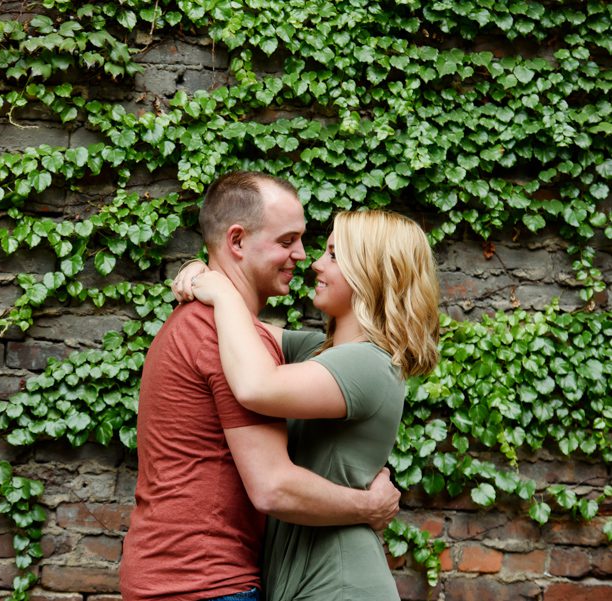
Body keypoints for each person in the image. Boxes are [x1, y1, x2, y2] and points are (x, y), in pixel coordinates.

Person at [119, 172, 403, 601]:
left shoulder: (237, 337)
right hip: (203, 584)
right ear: (236, 242)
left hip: (190, 578)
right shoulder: (220, 338)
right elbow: (273, 485)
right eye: (287, 240)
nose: (304, 257)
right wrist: (369, 506)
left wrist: (207, 277)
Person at [179, 209, 441, 600]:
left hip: (340, 584)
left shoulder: (368, 363)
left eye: (334, 255)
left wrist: (217, 288)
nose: (315, 263)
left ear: (370, 272)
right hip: (305, 582)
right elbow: (234, 329)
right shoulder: (320, 353)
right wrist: (205, 269)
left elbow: (255, 385)